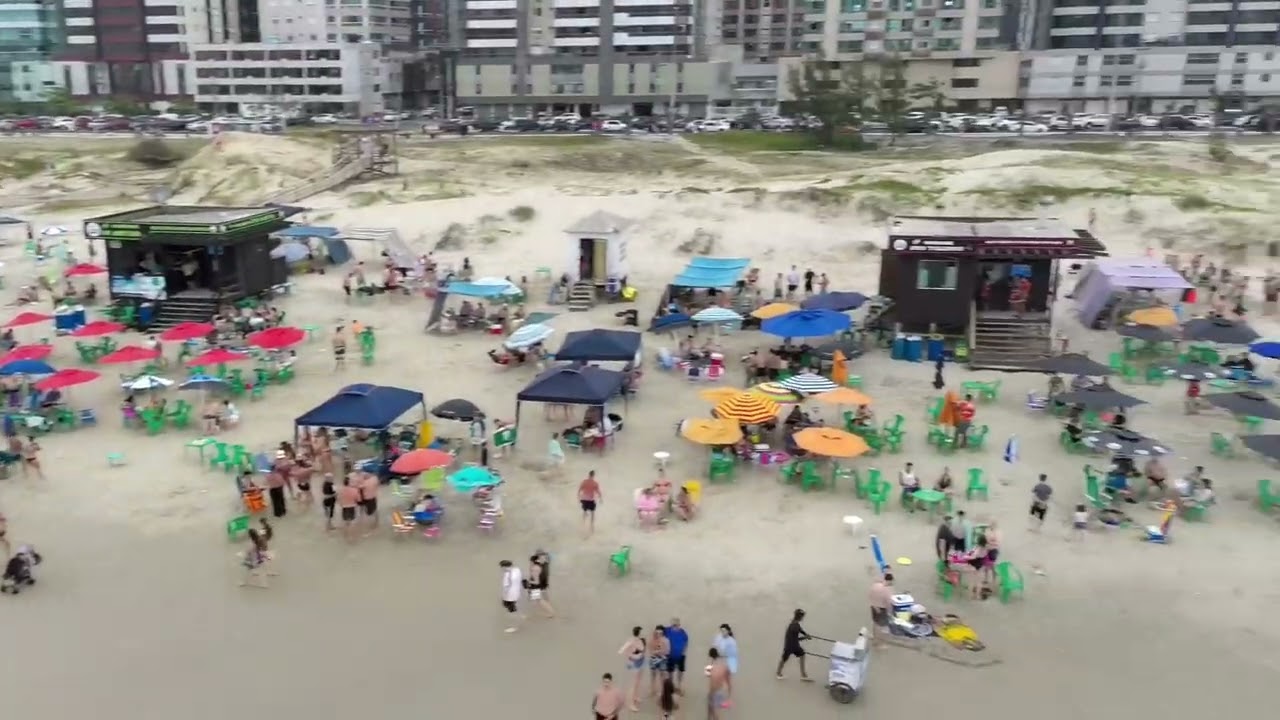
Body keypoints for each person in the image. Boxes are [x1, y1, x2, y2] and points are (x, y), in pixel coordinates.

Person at [775, 609, 812, 681]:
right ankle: (778, 673)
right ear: (800, 617)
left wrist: (806, 635)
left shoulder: (794, 624)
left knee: (801, 655)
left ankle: (803, 674)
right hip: (791, 646)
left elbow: (801, 630)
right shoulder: (795, 627)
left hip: (793, 645)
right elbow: (796, 639)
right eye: (802, 617)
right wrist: (805, 637)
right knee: (784, 659)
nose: (803, 618)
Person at [618, 626, 647, 712]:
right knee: (633, 684)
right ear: (638, 633)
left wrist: (640, 654)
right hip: (633, 664)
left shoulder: (640, 640)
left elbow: (642, 650)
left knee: (638, 681)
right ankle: (630, 703)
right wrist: (632, 656)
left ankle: (635, 697)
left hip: (641, 662)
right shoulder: (631, 641)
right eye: (641, 632)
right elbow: (621, 651)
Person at [239, 518, 275, 588]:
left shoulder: (257, 540)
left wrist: (248, 553)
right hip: (259, 556)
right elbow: (266, 534)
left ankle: (247, 582)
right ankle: (264, 582)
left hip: (256, 557)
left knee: (251, 570)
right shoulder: (260, 537)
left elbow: (254, 549)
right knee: (262, 568)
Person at [712, 624, 738, 707]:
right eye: (721, 630)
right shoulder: (718, 637)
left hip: (727, 663)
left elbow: (733, 654)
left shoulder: (732, 642)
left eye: (724, 630)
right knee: (717, 680)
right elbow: (714, 648)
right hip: (718, 662)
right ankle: (717, 696)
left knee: (727, 682)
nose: (722, 632)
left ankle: (728, 699)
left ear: (728, 631)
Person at [526, 553, 555, 618]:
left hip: (535, 587)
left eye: (530, 562)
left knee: (539, 600)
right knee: (540, 599)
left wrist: (528, 582)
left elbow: (536, 582)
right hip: (541, 586)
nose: (530, 564)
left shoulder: (535, 568)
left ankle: (551, 612)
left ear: (533, 561)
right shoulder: (543, 565)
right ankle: (549, 607)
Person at [499, 559, 524, 633]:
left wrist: (504, 596)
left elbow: (506, 587)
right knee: (510, 606)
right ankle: (520, 615)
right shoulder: (517, 570)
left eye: (502, 568)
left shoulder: (507, 575)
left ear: (504, 567)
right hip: (517, 593)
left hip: (510, 596)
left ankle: (514, 627)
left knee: (511, 610)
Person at [868, 573, 894, 644]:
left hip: (873, 607)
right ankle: (879, 643)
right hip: (881, 609)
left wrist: (874, 606)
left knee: (875, 623)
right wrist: (890, 613)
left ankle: (874, 637)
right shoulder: (886, 590)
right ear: (890, 581)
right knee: (883, 626)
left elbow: (870, 595)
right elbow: (888, 603)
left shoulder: (875, 585)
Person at [664, 618, 689, 690]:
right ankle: (671, 686)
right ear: (671, 625)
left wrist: (683, 652)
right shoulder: (666, 631)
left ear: (679, 625)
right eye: (673, 625)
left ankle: (679, 686)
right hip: (670, 656)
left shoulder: (683, 633)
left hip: (681, 656)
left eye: (676, 625)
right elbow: (658, 633)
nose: (675, 626)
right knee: (670, 672)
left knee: (680, 672)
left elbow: (686, 642)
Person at [706, 648, 730, 719]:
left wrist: (711, 692)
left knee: (714, 712)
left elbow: (709, 677)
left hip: (714, 691)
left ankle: (710, 717)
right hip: (721, 689)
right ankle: (708, 718)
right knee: (710, 706)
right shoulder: (722, 663)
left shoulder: (710, 666)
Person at [336, 475, 361, 541]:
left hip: (344, 507)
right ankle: (351, 537)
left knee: (345, 522)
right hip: (352, 507)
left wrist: (342, 504)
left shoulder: (340, 490)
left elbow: (338, 500)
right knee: (352, 523)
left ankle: (346, 536)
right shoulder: (354, 490)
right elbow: (359, 500)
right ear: (349, 482)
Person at [578, 469, 602, 536]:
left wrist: (579, 497)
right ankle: (591, 527)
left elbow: (580, 490)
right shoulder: (595, 483)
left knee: (584, 512)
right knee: (592, 514)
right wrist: (601, 498)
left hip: (584, 499)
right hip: (591, 500)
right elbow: (598, 492)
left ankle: (583, 525)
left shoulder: (584, 482)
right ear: (593, 476)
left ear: (588, 475)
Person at [648, 625, 669, 699]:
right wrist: (657, 652)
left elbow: (667, 651)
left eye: (660, 632)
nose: (659, 634)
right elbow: (650, 649)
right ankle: (652, 690)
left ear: (663, 633)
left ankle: (662, 691)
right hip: (653, 659)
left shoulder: (666, 640)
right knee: (653, 675)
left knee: (662, 676)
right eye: (657, 632)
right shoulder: (652, 640)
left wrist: (658, 652)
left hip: (662, 660)